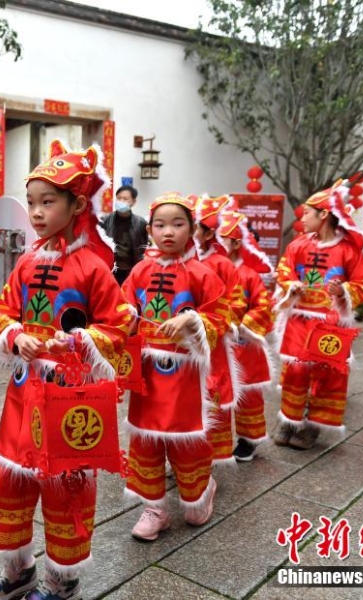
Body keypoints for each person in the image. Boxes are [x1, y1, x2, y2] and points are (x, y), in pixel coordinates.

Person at [0, 140, 134, 600]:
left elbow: (121, 322)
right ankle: (17, 570)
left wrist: (82, 340)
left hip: (71, 393)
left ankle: (61, 580)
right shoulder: (26, 262)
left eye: (48, 201)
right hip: (25, 391)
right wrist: (14, 336)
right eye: (31, 202)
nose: (37, 212)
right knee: (13, 476)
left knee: (65, 484)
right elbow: (6, 310)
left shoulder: (93, 267)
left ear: (77, 204)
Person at [120, 192, 226, 542]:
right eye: (161, 225)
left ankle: (198, 493)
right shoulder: (139, 271)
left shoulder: (202, 273)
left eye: (178, 224)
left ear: (193, 229)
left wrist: (193, 321)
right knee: (146, 439)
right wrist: (127, 321)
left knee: (187, 439)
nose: (169, 232)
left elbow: (221, 316)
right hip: (147, 372)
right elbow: (121, 308)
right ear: (149, 229)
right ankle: (155, 508)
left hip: (185, 375)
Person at [273, 181, 363, 449]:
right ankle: (291, 419)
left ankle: (314, 425)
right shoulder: (299, 244)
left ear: (324, 215)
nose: (302, 218)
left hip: (331, 322)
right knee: (295, 370)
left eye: (307, 212)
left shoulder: (349, 250)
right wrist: (291, 283)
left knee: (325, 374)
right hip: (300, 318)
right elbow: (284, 269)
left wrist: (343, 290)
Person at [217, 209, 276, 461]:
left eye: (222, 239)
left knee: (249, 395)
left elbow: (264, 307)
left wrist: (243, 326)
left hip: (244, 343)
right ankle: (216, 441)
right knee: (217, 391)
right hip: (218, 343)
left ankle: (249, 438)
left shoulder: (250, 275)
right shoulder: (211, 270)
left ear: (236, 243)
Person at [193, 194, 244, 467]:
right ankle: (181, 452)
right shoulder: (177, 260)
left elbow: (236, 304)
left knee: (212, 394)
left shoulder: (222, 265)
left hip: (211, 345)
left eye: (192, 226)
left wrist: (205, 323)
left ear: (209, 232)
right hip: (179, 345)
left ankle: (209, 457)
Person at [100, 185, 148, 285]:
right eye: (119, 198)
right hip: (108, 270)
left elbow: (144, 248)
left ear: (133, 202)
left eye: (125, 199)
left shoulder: (140, 223)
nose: (121, 201)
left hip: (129, 271)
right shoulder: (105, 220)